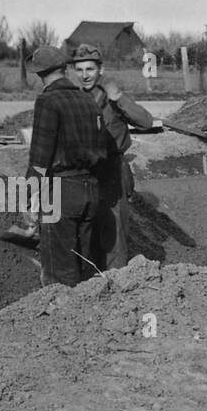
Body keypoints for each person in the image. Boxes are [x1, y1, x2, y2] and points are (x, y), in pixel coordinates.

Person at [26, 45, 106, 287]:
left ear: (40, 74)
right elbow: (101, 151)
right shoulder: (88, 99)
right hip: (90, 190)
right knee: (85, 265)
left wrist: (29, 198)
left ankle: (62, 320)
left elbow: (39, 160)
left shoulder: (47, 101)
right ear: (63, 68)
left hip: (61, 191)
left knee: (59, 272)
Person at [69, 43, 153, 270]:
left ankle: (117, 288)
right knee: (86, 234)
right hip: (83, 175)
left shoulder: (111, 97)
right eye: (79, 70)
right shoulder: (72, 99)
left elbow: (146, 121)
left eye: (90, 69)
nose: (85, 75)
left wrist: (119, 98)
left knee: (114, 235)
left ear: (101, 70)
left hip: (112, 173)